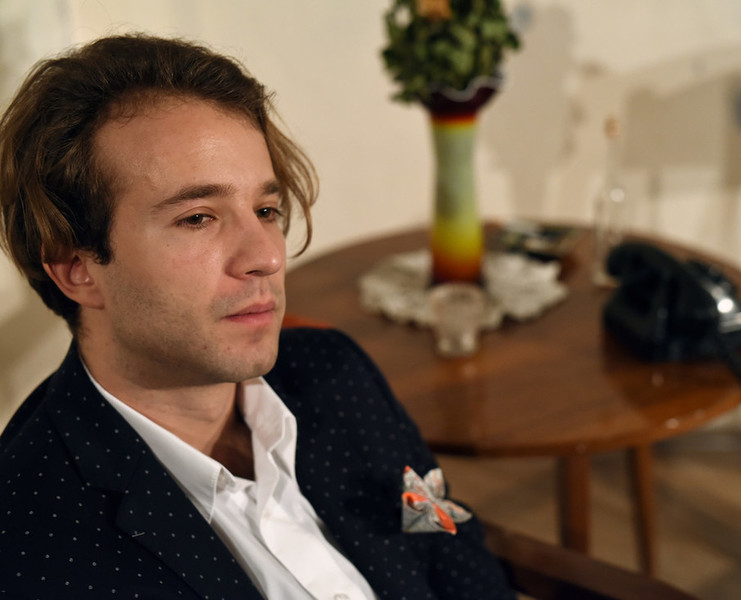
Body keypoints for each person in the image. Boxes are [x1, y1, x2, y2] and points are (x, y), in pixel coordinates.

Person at [0, 34, 514, 600]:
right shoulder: (29, 549)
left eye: (266, 209)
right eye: (198, 218)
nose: (267, 256)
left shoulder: (334, 373)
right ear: (77, 269)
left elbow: (449, 550)